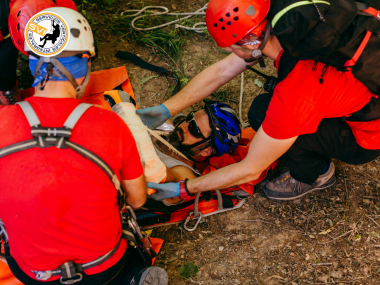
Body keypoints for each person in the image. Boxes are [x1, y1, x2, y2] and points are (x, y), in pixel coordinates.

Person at [137, 0, 380, 201]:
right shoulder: (299, 28)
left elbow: (249, 169)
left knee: (263, 113)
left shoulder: (295, 94)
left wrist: (184, 188)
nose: (230, 52)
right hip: (361, 91)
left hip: (367, 138)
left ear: (248, 43)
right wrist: (167, 108)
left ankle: (315, 174)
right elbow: (221, 72)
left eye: (231, 47)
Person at [0, 7, 168, 285]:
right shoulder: (110, 125)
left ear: (32, 64)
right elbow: (137, 200)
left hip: (34, 274)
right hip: (103, 266)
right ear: (85, 64)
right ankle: (132, 277)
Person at [112, 98, 244, 203]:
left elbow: (152, 171)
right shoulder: (170, 130)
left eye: (194, 129)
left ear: (207, 151)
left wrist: (126, 111)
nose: (184, 126)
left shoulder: (185, 175)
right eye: (190, 118)